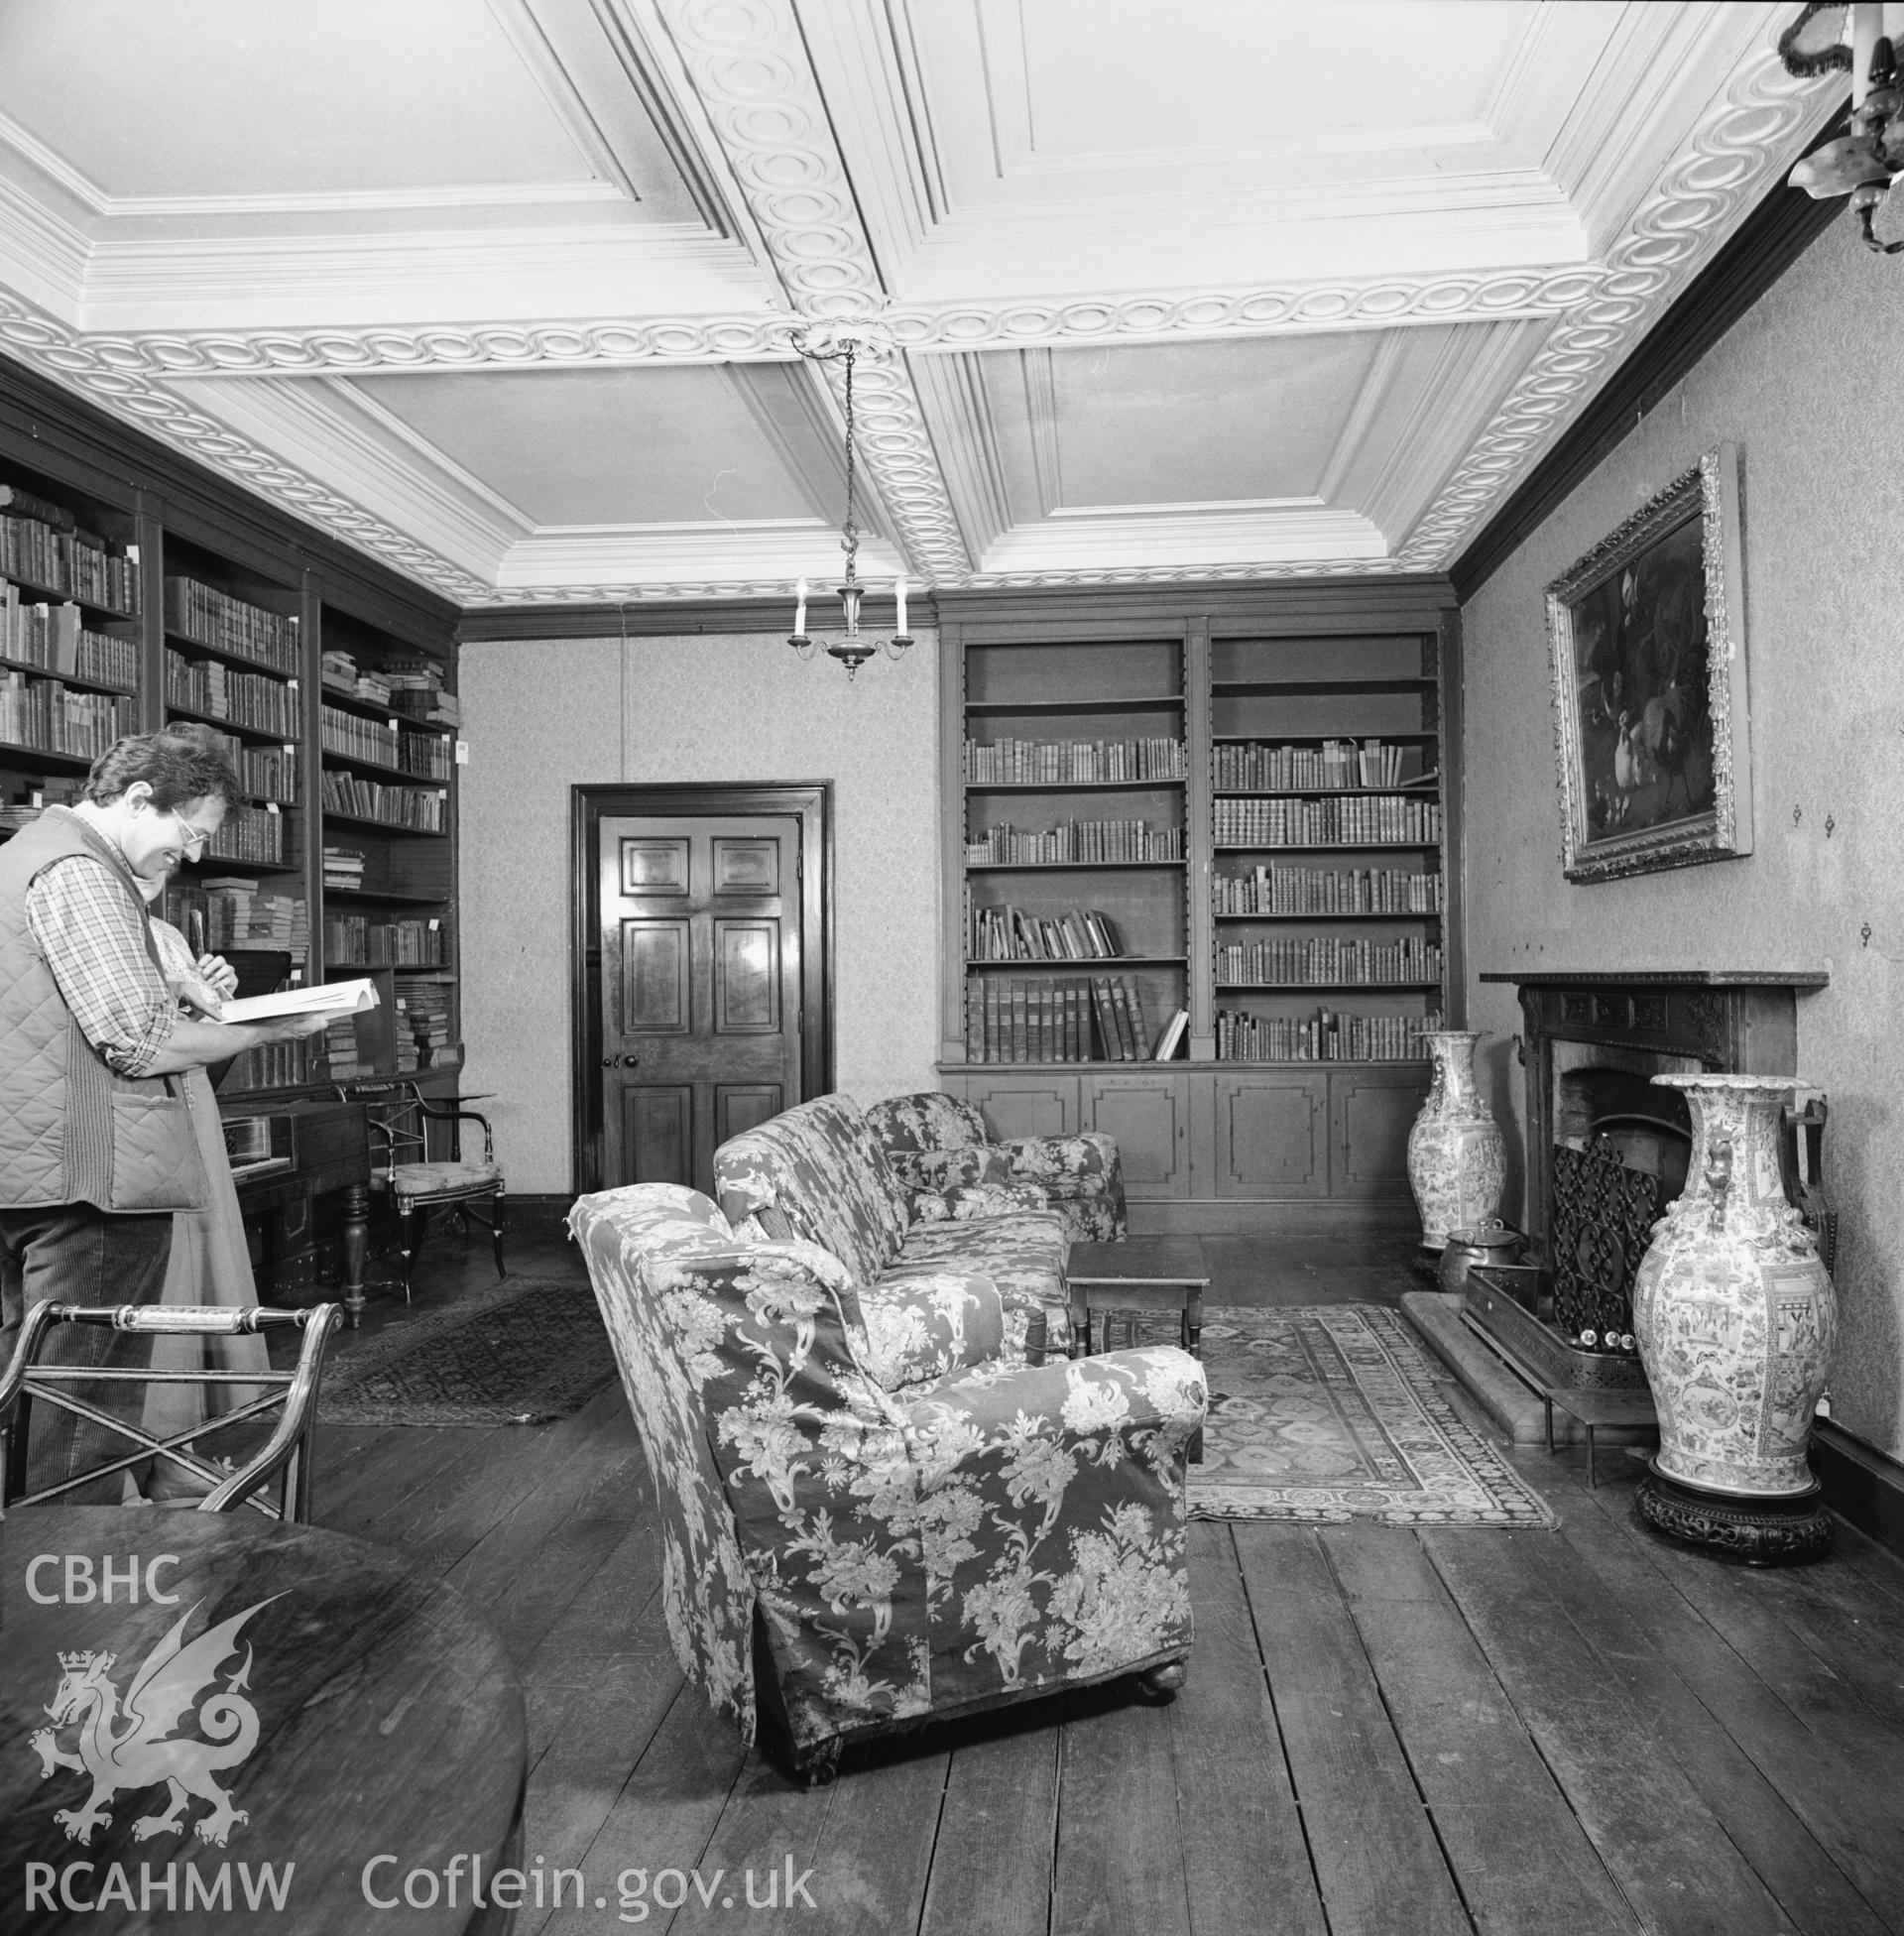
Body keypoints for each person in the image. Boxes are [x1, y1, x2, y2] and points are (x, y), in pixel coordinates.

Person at [0, 728, 329, 1502]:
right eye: (193, 833)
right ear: (141, 799)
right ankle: (70, 1595)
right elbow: (138, 1043)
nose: (196, 854)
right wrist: (272, 1026)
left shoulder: (21, 858)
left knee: (24, 1386)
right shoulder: (81, 872)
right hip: (87, 1182)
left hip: (25, 1169)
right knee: (78, 1406)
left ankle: (25, 1590)